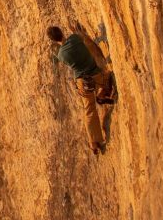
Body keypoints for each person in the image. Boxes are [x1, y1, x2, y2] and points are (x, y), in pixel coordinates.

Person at [48, 23, 115, 154]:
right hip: (96, 76)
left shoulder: (61, 56)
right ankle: (101, 94)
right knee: (108, 76)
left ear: (53, 40)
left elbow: (65, 58)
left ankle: (93, 142)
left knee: (89, 108)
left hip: (83, 82)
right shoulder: (74, 38)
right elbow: (82, 37)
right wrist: (75, 30)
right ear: (61, 31)